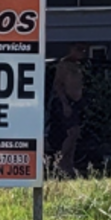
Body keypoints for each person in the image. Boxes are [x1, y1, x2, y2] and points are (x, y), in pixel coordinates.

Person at [49, 43, 88, 174]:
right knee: (72, 132)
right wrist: (65, 103)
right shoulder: (63, 64)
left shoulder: (78, 65)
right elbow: (58, 85)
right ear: (72, 50)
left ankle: (69, 163)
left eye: (84, 50)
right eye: (79, 50)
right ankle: (60, 161)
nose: (82, 53)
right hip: (65, 101)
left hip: (77, 101)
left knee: (76, 133)